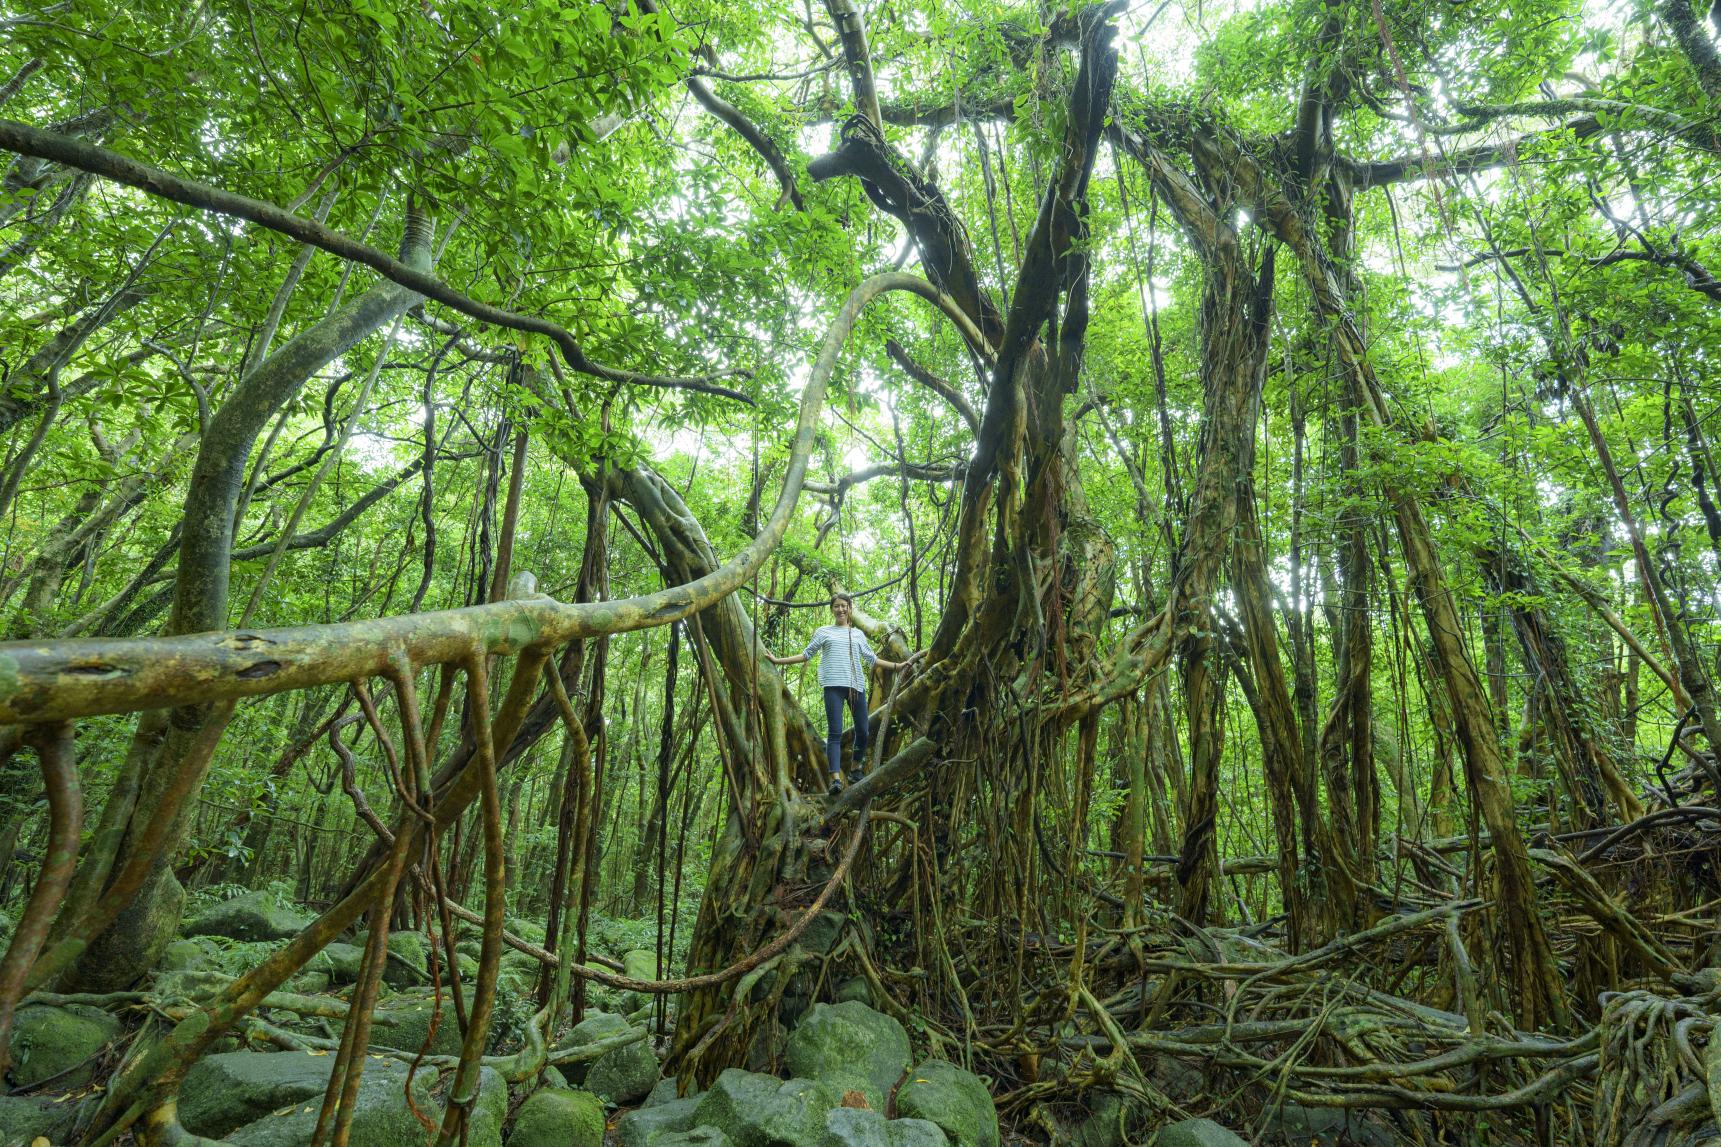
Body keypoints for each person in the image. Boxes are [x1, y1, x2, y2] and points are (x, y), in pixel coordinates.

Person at [765, 592, 913, 795]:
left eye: (844, 606)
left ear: (850, 608)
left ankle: (855, 768)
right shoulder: (824, 632)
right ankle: (835, 778)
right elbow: (806, 655)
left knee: (863, 730)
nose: (841, 609)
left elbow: (872, 660)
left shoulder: (858, 635)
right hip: (833, 687)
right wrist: (777, 660)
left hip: (856, 686)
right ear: (832, 609)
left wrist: (898, 666)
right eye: (837, 606)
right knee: (834, 733)